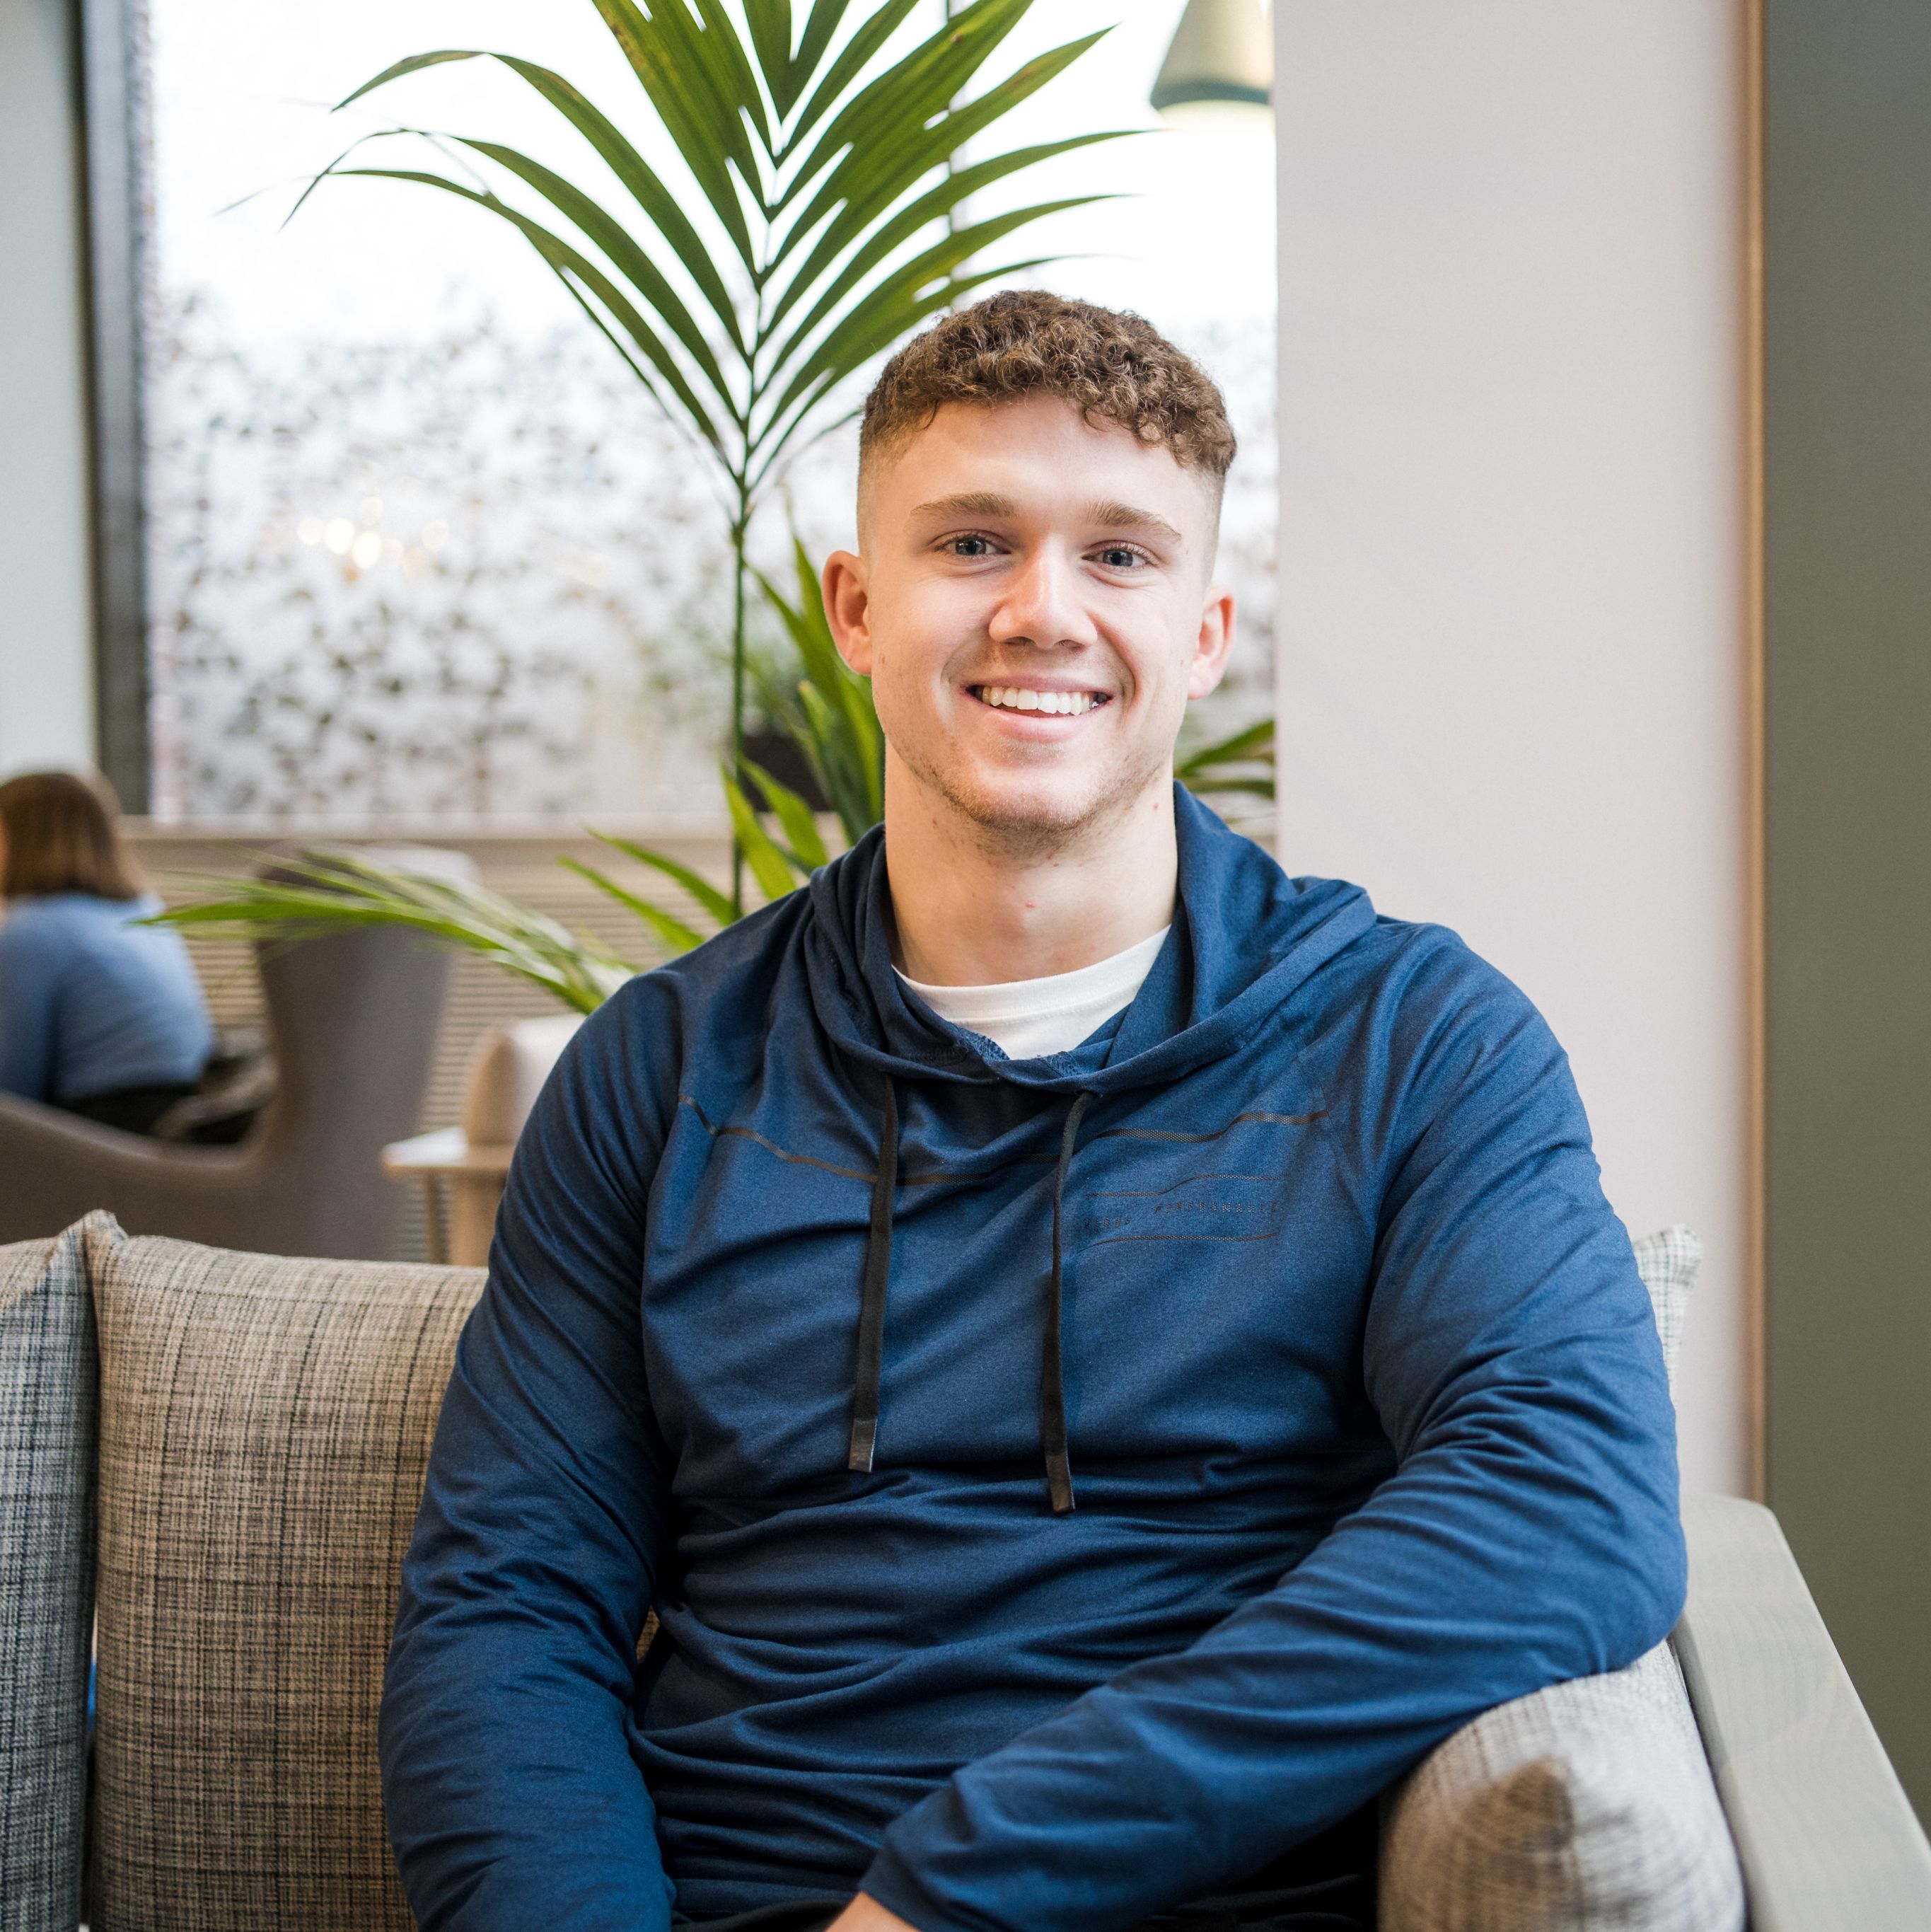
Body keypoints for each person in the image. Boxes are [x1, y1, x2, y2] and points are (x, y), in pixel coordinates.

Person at [378, 291, 1685, 1932]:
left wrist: (952, 1895)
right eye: (975, 543)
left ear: (1205, 633)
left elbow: (1569, 1505)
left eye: (1121, 555)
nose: (1043, 612)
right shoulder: (660, 1068)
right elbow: (509, 1609)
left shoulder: (1410, 1043)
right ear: (857, 607)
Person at [0, 769, 214, 1135]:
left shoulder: (33, 931)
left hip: (113, 1126)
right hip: (184, 1118)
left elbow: (13, 1090)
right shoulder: (143, 910)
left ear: (22, 839)